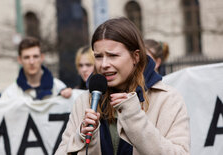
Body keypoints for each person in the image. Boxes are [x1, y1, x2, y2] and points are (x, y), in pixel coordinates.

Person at [55, 17, 190, 154]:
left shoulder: (167, 99)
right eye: (98, 56)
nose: (104, 64)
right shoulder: (85, 100)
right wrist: (80, 137)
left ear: (135, 57)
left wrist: (134, 118)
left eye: (113, 55)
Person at [1, 36, 71, 100]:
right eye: (26, 57)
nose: (31, 62)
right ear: (19, 60)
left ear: (42, 57)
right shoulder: (10, 94)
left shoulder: (59, 88)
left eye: (35, 56)